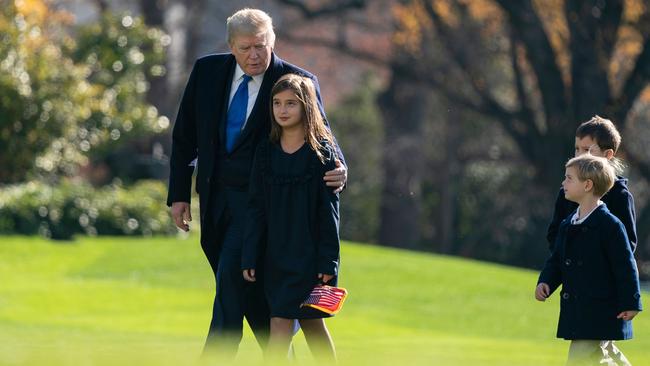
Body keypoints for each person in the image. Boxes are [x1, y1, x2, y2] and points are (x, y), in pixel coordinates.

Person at [166, 8, 347, 356]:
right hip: (216, 203)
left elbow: (324, 139)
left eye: (261, 46)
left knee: (230, 290)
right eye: (246, 47)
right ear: (231, 46)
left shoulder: (294, 81)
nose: (254, 55)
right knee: (249, 295)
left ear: (272, 42)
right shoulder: (206, 72)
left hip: (261, 211)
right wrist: (179, 194)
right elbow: (185, 136)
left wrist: (342, 169)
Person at [242, 73, 340, 362]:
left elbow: (329, 213)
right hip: (275, 257)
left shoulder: (321, 154)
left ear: (306, 107)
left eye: (291, 104)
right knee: (280, 322)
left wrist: (328, 261)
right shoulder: (265, 152)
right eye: (276, 103)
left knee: (312, 323)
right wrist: (250, 254)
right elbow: (256, 207)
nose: (282, 110)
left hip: (310, 259)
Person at [536, 154, 642, 366]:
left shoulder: (610, 225)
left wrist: (631, 301)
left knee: (578, 358)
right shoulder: (568, 224)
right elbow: (557, 259)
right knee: (597, 357)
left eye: (569, 178)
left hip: (601, 309)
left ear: (587, 185)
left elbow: (625, 266)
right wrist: (546, 281)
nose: (563, 182)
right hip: (578, 311)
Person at [546, 116, 637, 252]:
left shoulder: (620, 196)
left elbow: (627, 244)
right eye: (577, 149)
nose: (580, 156)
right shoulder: (567, 191)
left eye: (587, 150)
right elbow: (554, 234)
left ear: (607, 155)